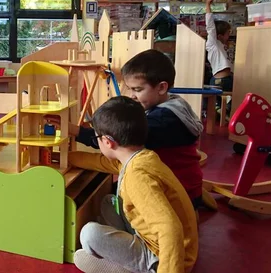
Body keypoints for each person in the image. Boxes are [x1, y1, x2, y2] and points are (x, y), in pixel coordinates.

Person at [56, 50, 204, 210]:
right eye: (130, 89)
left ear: (161, 87)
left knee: (112, 201)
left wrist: (75, 132)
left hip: (176, 197)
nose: (131, 95)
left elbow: (114, 140)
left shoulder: (161, 121)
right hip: (188, 188)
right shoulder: (173, 103)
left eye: (137, 90)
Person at [71, 96, 198, 273]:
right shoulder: (140, 157)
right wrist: (67, 159)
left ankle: (136, 268)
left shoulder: (138, 177)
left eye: (97, 137)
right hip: (154, 239)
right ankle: (126, 258)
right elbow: (104, 163)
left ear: (107, 141)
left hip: (161, 257)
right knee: (109, 202)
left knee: (89, 235)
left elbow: (170, 228)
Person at [206, 0, 233, 114]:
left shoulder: (221, 46)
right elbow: (210, 26)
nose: (229, 36)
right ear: (220, 36)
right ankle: (219, 109)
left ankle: (221, 110)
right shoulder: (213, 44)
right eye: (228, 33)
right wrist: (208, 5)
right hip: (221, 80)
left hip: (225, 79)